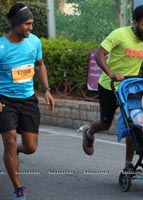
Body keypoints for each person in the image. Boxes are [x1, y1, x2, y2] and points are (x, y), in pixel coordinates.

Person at [81, 4, 143, 171]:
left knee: (134, 123)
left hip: (130, 87)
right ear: (135, 22)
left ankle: (128, 165)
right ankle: (88, 132)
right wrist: (110, 73)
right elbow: (98, 54)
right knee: (105, 123)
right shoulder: (119, 34)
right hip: (109, 86)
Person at [0, 3, 55, 200]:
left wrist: (47, 90)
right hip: (4, 100)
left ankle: (13, 154)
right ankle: (18, 189)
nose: (31, 28)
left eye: (31, 23)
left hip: (28, 99)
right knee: (10, 140)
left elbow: (40, 65)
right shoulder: (1, 47)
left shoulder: (34, 42)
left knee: (30, 147)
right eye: (27, 24)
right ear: (16, 24)